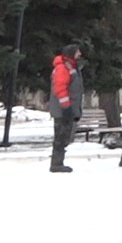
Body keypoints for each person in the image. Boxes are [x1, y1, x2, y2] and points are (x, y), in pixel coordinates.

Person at [47, 43, 85, 173]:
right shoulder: (63, 68)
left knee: (65, 136)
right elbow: (60, 88)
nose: (80, 54)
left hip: (66, 108)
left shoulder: (70, 67)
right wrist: (66, 106)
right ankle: (56, 164)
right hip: (62, 110)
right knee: (61, 136)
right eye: (77, 52)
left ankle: (58, 162)